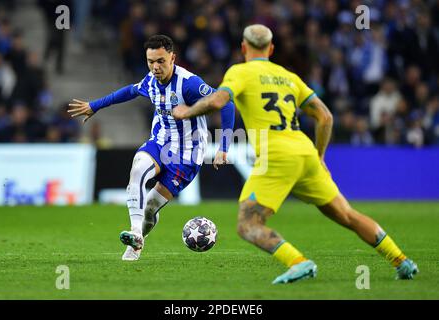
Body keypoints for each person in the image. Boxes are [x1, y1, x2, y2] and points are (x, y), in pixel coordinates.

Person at [173, 24, 418, 283]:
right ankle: (402, 261)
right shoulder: (288, 76)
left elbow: (217, 101)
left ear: (243, 47)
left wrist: (185, 112)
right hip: (305, 152)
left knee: (249, 225)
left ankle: (299, 262)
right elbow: (325, 116)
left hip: (277, 156)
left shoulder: (240, 72)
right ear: (272, 48)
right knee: (347, 215)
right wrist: (320, 156)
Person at [68, 35, 235, 261]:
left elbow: (227, 104)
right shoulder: (151, 80)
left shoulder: (189, 83)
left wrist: (223, 147)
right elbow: (129, 91)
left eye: (160, 61)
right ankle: (135, 234)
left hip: (186, 156)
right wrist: (94, 106)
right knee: (137, 169)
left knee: (150, 209)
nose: (155, 67)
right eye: (150, 61)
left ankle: (138, 239)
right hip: (160, 142)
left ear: (172, 58)